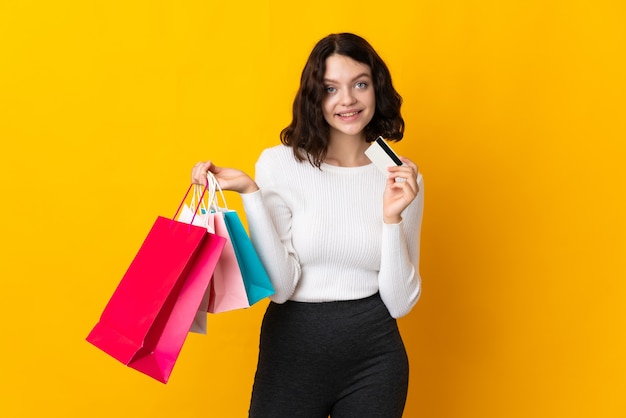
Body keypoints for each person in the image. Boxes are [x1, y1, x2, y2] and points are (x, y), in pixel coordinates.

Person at [192, 32, 424, 418]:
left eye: (360, 84)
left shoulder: (400, 176)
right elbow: (281, 289)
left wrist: (391, 218)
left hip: (375, 357)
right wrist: (251, 193)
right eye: (330, 89)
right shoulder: (280, 164)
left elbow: (399, 303)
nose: (347, 100)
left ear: (376, 88)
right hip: (292, 352)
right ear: (315, 98)